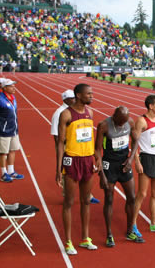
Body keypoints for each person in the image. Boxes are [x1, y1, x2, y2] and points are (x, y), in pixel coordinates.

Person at [55, 83, 97, 255]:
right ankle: (68, 241)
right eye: (89, 94)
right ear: (79, 95)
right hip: (71, 160)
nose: (92, 96)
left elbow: (90, 139)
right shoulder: (66, 114)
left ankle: (85, 238)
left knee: (86, 201)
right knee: (69, 202)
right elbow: (60, 143)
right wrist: (58, 168)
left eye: (92, 93)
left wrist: (96, 158)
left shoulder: (90, 113)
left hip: (87, 160)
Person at [95, 106, 143, 246]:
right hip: (109, 165)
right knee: (109, 199)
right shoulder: (104, 125)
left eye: (124, 121)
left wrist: (131, 158)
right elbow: (97, 150)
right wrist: (101, 173)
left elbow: (135, 140)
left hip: (124, 165)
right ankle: (109, 234)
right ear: (114, 116)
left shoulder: (130, 123)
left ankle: (129, 231)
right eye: (120, 122)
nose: (122, 124)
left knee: (132, 198)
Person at [51, 90, 99, 202]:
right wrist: (62, 151)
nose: (73, 100)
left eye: (73, 98)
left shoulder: (87, 111)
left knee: (86, 179)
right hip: (68, 150)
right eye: (71, 98)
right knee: (68, 180)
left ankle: (88, 195)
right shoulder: (60, 113)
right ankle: (66, 195)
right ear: (65, 99)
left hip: (83, 150)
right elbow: (57, 137)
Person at [132, 95, 155, 237]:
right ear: (150, 106)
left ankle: (154, 223)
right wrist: (137, 161)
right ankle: (133, 223)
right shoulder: (142, 121)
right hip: (146, 158)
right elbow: (134, 142)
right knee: (142, 193)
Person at [0, 79, 23, 183]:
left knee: (12, 150)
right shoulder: (0, 99)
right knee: (3, 153)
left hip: (14, 130)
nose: (14, 88)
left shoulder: (13, 98)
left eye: (14, 86)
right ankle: (4, 173)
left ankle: (11, 171)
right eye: (11, 86)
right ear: (4, 88)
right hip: (3, 131)